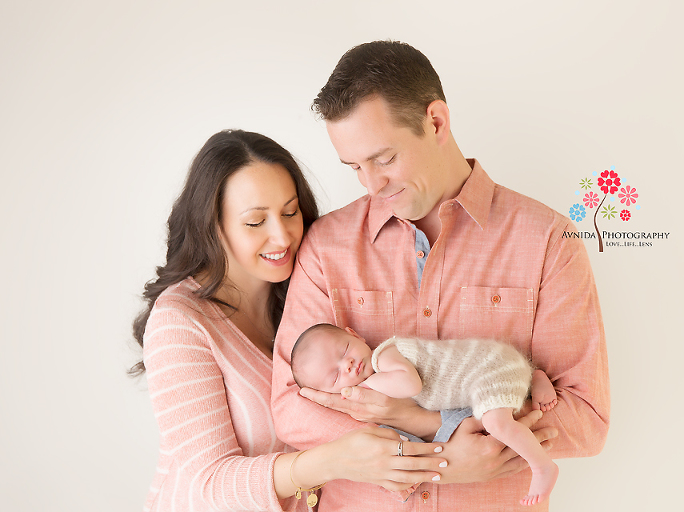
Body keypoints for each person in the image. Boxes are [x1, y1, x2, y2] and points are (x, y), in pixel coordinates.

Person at [271, 40, 609, 511]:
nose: (372, 185)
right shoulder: (325, 248)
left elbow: (585, 419)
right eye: (354, 167)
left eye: (385, 158)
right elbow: (291, 409)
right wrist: (441, 454)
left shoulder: (548, 240)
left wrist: (425, 423)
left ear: (435, 122)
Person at [130, 129, 447, 512]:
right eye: (254, 222)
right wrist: (332, 461)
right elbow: (209, 482)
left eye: (289, 212)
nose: (281, 236)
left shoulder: (307, 298)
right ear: (212, 225)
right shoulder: (179, 322)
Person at [291, 324, 560, 506]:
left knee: (495, 422)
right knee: (480, 416)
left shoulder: (384, 356)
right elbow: (426, 432)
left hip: (488, 366)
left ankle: (542, 466)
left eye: (345, 350)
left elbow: (411, 385)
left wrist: (365, 384)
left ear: (355, 335)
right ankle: (532, 377)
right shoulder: (377, 402)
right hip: (485, 378)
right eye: (336, 375)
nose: (348, 364)